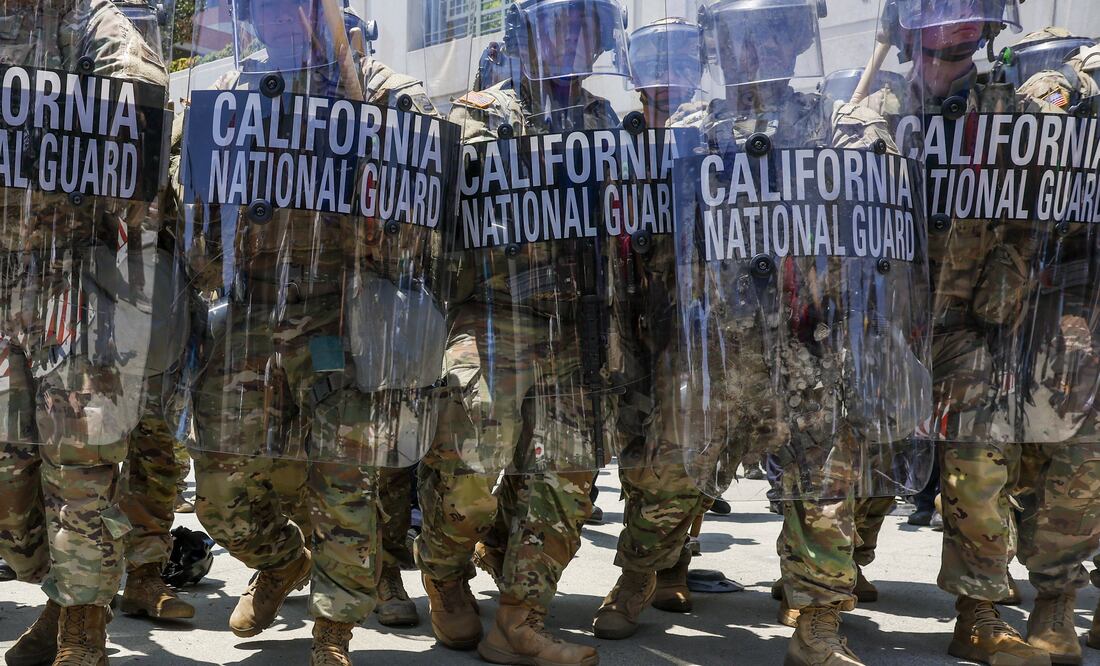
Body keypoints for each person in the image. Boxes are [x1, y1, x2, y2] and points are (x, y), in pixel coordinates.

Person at [175, 1, 444, 663]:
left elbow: (423, 222)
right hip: (252, 316)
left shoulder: (386, 96)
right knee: (219, 484)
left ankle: (332, 634)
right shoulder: (239, 95)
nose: (271, 22)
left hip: (343, 317)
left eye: (286, 8)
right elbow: (202, 217)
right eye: (257, 10)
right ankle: (280, 562)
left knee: (345, 487)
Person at [673, 1, 933, 664]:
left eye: (772, 39)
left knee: (820, 483)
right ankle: (644, 574)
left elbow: (871, 220)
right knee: (668, 481)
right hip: (721, 342)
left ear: (794, 45)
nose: (756, 56)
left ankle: (818, 622)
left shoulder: (833, 124)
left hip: (804, 337)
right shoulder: (690, 133)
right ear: (718, 51)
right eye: (741, 42)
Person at [415, 2, 637, 664]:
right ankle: (445, 576)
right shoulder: (475, 115)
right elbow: (433, 224)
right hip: (493, 314)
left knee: (568, 478)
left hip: (581, 320)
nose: (569, 38)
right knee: (471, 466)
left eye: (583, 26)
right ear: (525, 34)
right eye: (556, 23)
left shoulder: (606, 126)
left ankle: (521, 615)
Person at [861, 2, 1069, 664]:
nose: (951, 36)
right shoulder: (878, 109)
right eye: (934, 26)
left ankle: (978, 610)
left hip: (973, 320)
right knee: (867, 454)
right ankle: (829, 577)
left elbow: (1048, 213)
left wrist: (1009, 281)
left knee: (978, 456)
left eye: (965, 22)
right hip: (889, 319)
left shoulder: (1014, 115)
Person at [0, 1, 170, 663]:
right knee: (12, 485)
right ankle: (60, 594)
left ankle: (83, 631)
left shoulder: (90, 21)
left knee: (80, 470)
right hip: (3, 280)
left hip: (75, 278)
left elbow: (140, 101)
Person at [590, 16, 711, 641]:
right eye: (650, 63)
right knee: (636, 449)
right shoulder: (615, 138)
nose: (662, 79)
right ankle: (661, 556)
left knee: (678, 451)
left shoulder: (714, 137)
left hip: (694, 323)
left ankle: (649, 570)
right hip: (624, 315)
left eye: (678, 62)